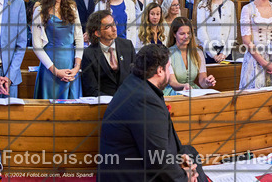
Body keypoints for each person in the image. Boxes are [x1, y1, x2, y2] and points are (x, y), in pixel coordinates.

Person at [98, 44, 205, 182]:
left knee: (189, 153)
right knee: (191, 168)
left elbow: (161, 142)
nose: (170, 72)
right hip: (131, 173)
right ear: (160, 71)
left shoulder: (136, 83)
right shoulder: (144, 100)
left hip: (136, 160)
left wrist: (179, 155)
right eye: (169, 67)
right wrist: (185, 178)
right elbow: (157, 160)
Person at [30, 0, 84, 100]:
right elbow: (37, 46)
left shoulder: (72, 7)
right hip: (50, 67)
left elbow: (79, 37)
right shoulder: (40, 10)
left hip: (71, 65)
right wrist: (55, 71)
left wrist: (76, 67)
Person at [82, 10, 135, 97]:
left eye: (114, 24)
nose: (114, 29)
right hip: (103, 102)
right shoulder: (88, 54)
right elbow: (91, 89)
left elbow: (136, 79)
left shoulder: (127, 45)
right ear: (98, 33)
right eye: (108, 27)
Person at [165, 17, 215, 95]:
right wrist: (184, 86)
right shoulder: (167, 53)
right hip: (174, 91)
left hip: (192, 90)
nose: (186, 36)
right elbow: (172, 82)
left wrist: (207, 82)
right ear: (174, 34)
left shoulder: (198, 52)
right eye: (182, 34)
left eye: (188, 33)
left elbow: (202, 82)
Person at [197, 0, 235, 64]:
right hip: (209, 50)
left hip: (226, 51)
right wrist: (213, 54)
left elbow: (233, 31)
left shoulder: (230, 4)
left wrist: (224, 53)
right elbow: (201, 32)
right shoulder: (203, 5)